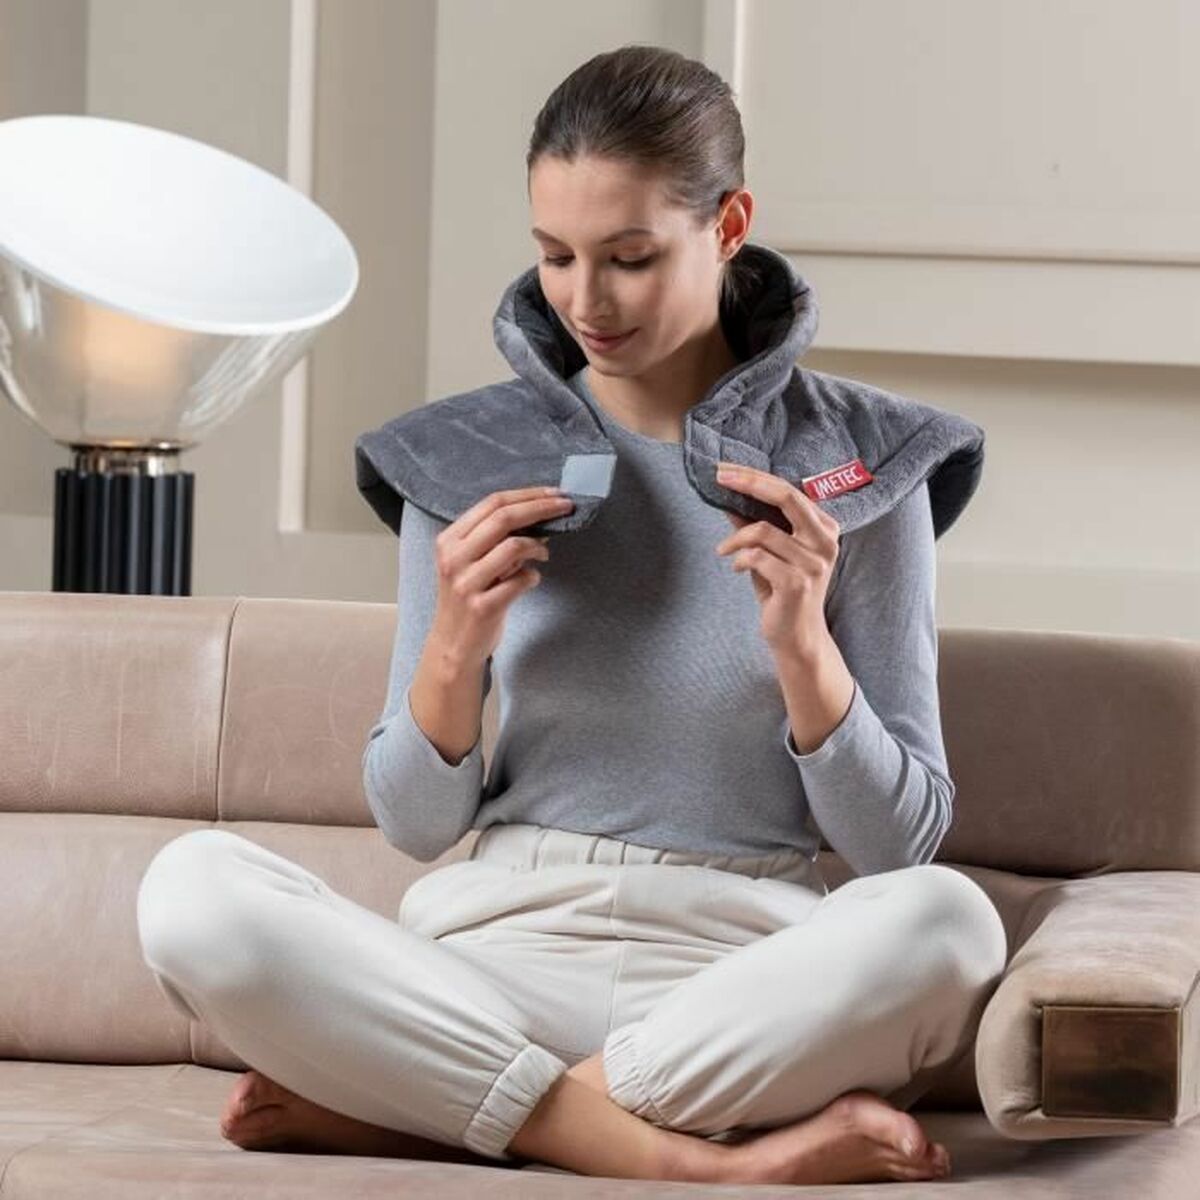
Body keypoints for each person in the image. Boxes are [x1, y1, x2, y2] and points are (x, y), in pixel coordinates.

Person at [136, 44, 1007, 1186]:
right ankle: (700, 1166)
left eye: (630, 258)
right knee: (190, 890)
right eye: (555, 256)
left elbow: (899, 847)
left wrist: (805, 648)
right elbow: (413, 824)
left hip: (740, 981)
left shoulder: (860, 467)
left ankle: (443, 1115)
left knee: (951, 922)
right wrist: (455, 645)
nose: (585, 301)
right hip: (492, 960)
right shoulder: (467, 458)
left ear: (730, 224)